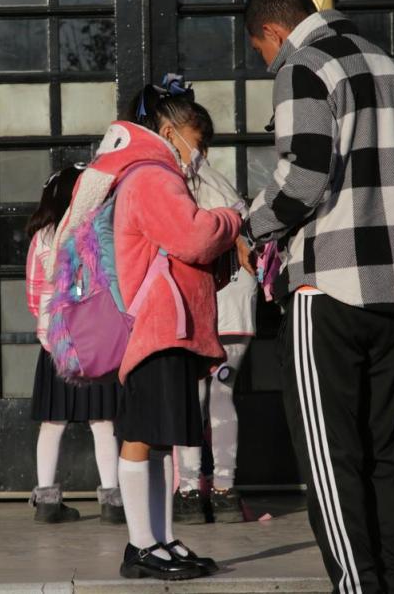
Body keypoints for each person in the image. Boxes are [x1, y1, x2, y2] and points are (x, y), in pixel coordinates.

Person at [242, 0, 394, 594]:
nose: (266, 62)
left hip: (327, 287)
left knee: (329, 456)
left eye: (260, 51)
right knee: (381, 449)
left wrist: (247, 229)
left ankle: (358, 586)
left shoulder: (303, 64)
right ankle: (388, 575)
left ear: (274, 32)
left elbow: (302, 176)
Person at [48, 83, 240, 580]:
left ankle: (160, 539)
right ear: (170, 132)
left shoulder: (150, 173)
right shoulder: (153, 176)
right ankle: (140, 545)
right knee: (141, 439)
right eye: (197, 144)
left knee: (157, 441)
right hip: (158, 329)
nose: (199, 157)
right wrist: (232, 220)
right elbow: (193, 236)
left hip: (167, 327)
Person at [169, 88, 257, 525]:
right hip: (232, 308)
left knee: (197, 398)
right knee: (221, 396)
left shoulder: (184, 181)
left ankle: (190, 491)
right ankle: (223, 488)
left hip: (202, 309)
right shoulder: (222, 185)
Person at [25, 163, 124, 524]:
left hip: (55, 343)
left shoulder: (43, 237)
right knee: (103, 421)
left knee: (53, 423)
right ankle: (113, 500)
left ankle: (47, 499)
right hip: (94, 341)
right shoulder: (96, 231)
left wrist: (46, 327)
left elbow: (34, 293)